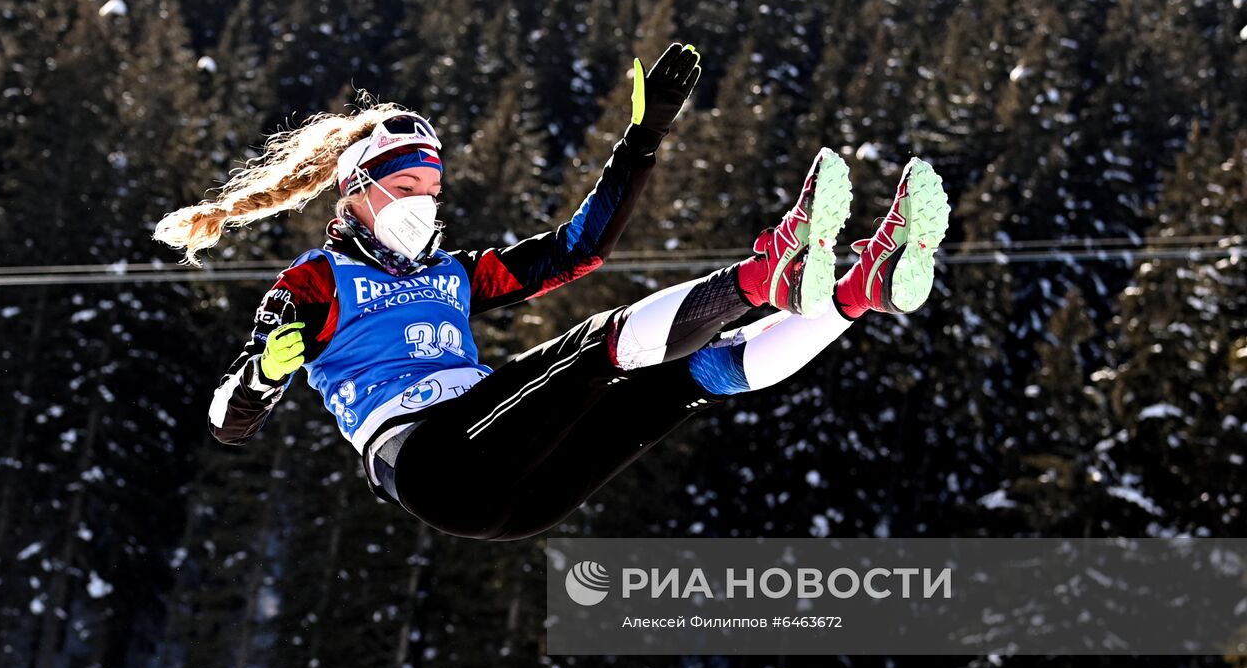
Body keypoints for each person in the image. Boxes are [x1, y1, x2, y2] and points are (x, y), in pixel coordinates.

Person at [153, 43, 951, 541]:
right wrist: (261, 377)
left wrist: (641, 143)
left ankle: (857, 292)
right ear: (355, 190)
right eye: (405, 186)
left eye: (433, 189)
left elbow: (577, 252)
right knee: (596, 347)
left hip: (522, 494)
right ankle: (763, 275)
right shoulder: (315, 282)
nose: (423, 204)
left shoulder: (451, 275)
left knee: (681, 380)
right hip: (432, 464)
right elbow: (229, 422)